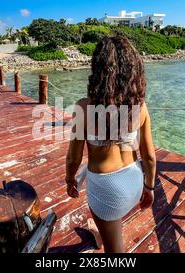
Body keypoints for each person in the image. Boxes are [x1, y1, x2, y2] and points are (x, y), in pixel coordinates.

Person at [65, 36, 157, 253]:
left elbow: (73, 158)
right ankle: (102, 233)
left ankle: (106, 234)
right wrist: (149, 188)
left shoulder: (84, 108)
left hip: (106, 190)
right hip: (134, 181)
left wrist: (70, 180)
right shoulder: (140, 108)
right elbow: (150, 156)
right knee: (113, 219)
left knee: (115, 252)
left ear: (97, 69)